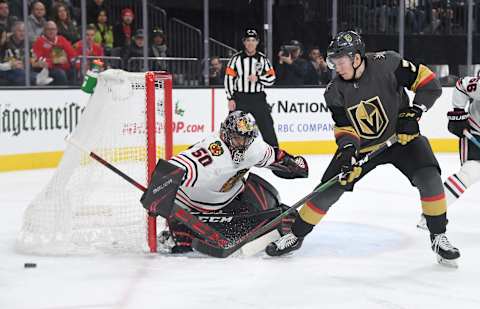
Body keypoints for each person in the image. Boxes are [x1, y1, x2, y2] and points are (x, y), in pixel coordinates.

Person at [266, 30, 461, 267]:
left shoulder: (388, 63)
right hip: (363, 148)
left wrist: (415, 111)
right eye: (334, 62)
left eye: (341, 61)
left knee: (429, 176)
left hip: (402, 138)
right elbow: (345, 128)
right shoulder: (333, 92)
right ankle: (295, 235)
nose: (336, 67)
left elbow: (430, 83)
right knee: (327, 190)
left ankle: (438, 236)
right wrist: (348, 153)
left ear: (356, 58)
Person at [146, 111, 308, 253]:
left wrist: (293, 163)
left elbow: (274, 156)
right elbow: (175, 167)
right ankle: (177, 231)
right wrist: (157, 194)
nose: (243, 144)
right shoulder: (211, 153)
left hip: (228, 196)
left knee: (275, 210)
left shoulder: (253, 147)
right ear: (225, 134)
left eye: (247, 139)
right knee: (182, 245)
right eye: (238, 139)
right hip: (192, 207)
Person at [417, 74, 480, 229]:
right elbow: (462, 85)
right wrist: (458, 112)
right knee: (469, 173)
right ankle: (431, 215)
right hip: (475, 132)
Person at [224, 29, 278, 148]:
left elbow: (272, 78)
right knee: (232, 126)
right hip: (240, 98)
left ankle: (275, 155)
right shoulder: (236, 59)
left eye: (253, 40)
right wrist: (230, 98)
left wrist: (258, 78)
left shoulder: (263, 59)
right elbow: (228, 79)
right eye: (248, 40)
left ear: (257, 42)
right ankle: (229, 152)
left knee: (267, 126)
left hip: (257, 98)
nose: (250, 43)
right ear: (244, 42)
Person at [32, 21, 77, 85]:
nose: (51, 31)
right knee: (60, 74)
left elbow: (72, 54)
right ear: (44, 30)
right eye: (49, 29)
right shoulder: (39, 41)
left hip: (64, 67)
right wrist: (54, 61)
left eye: (53, 29)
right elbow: (38, 60)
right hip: (48, 69)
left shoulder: (62, 39)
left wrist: (72, 61)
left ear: (56, 30)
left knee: (75, 72)